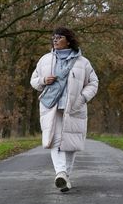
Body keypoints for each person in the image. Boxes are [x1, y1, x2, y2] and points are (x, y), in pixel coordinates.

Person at [30, 27, 98, 192]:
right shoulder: (45, 59)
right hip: (51, 106)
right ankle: (60, 172)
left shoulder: (83, 62)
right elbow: (34, 80)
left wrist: (82, 98)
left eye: (59, 37)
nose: (55, 40)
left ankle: (65, 177)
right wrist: (44, 80)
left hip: (74, 108)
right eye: (53, 37)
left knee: (71, 143)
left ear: (68, 40)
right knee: (55, 139)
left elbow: (93, 83)